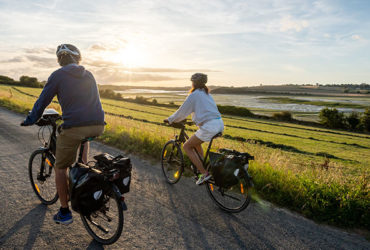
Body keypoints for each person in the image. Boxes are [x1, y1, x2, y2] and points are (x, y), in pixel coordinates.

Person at [21, 44, 105, 225]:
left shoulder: (58, 75)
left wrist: (30, 119)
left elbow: (43, 100)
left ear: (60, 60)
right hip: (98, 125)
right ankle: (82, 169)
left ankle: (65, 212)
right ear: (78, 58)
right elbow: (95, 101)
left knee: (61, 167)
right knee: (82, 137)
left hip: (75, 127)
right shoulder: (89, 74)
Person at [164, 73, 224, 185]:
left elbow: (182, 111)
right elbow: (206, 111)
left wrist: (170, 119)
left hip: (209, 126)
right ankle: (201, 164)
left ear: (193, 83)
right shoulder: (207, 94)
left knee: (187, 146)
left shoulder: (194, 95)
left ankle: (204, 173)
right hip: (219, 124)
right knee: (196, 143)